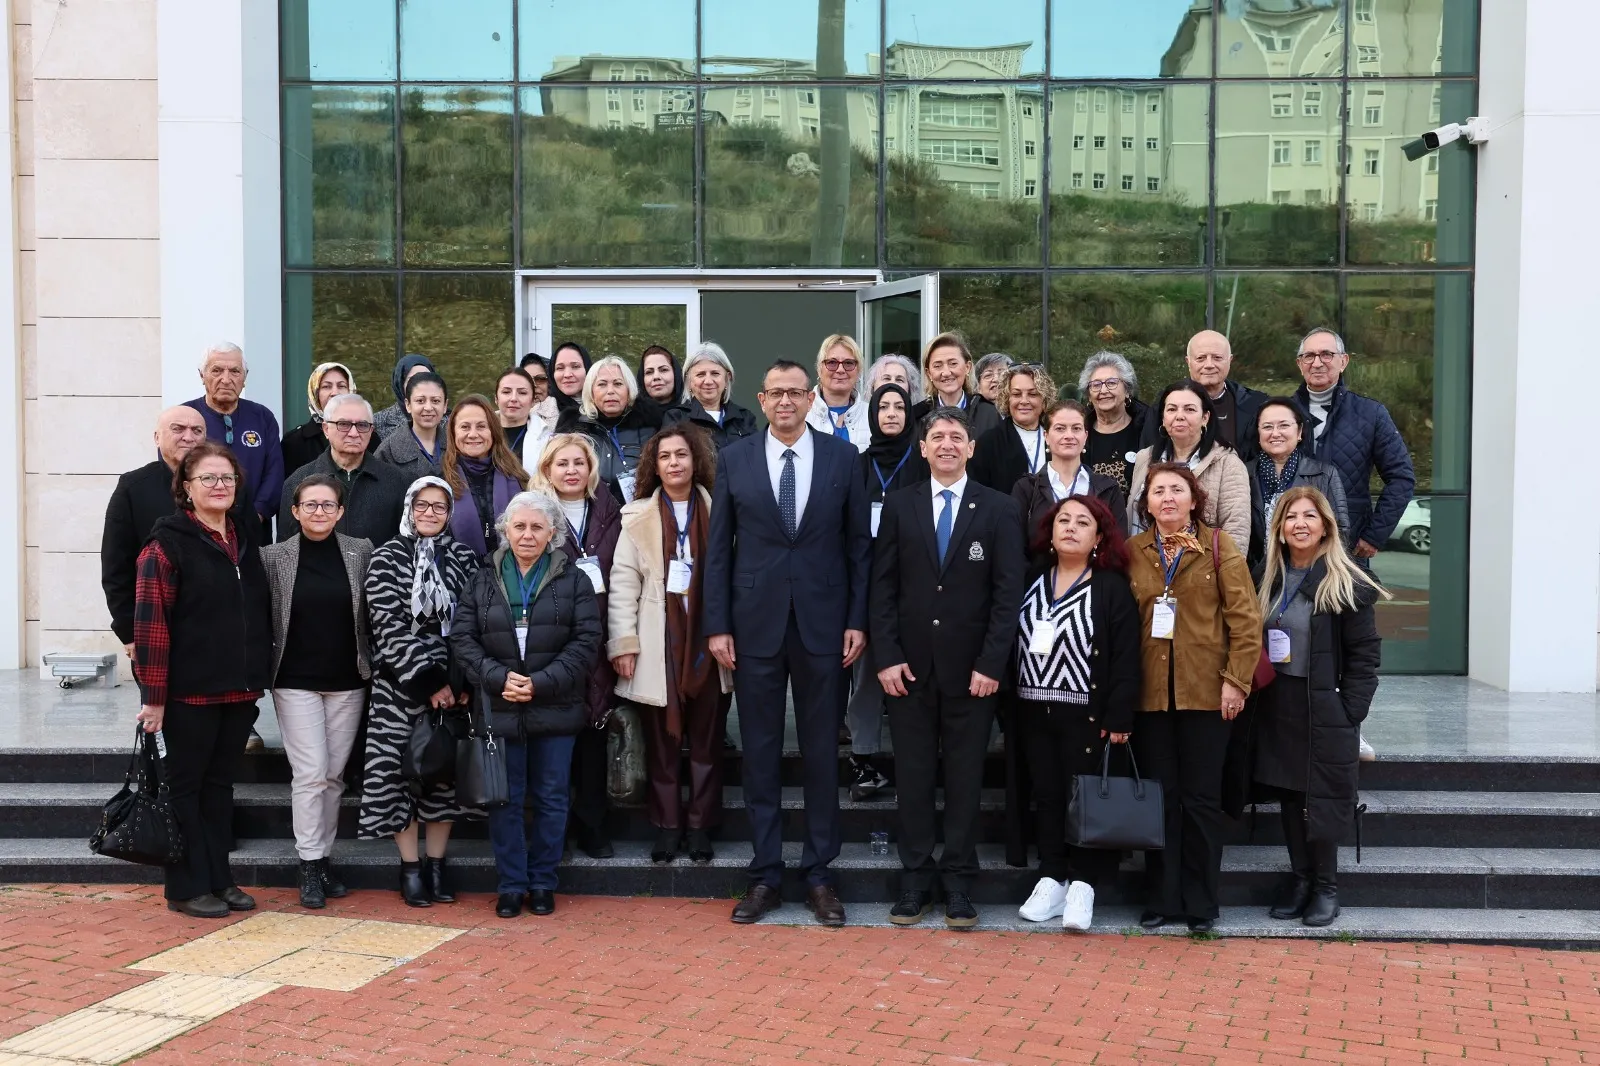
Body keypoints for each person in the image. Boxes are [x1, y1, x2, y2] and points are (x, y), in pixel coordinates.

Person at [704, 359, 872, 926]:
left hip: (825, 624)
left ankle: (820, 874)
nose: (784, 402)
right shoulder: (735, 458)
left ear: (811, 398)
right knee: (760, 751)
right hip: (753, 625)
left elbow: (858, 549)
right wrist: (718, 624)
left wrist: (857, 619)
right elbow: (720, 549)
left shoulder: (843, 459)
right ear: (760, 396)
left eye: (795, 393)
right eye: (774, 393)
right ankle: (765, 873)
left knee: (823, 751)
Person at [871, 407, 1025, 929]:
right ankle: (914, 880)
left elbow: (1008, 596)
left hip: (972, 674)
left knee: (964, 778)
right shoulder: (899, 505)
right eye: (936, 437)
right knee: (913, 777)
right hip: (908, 670)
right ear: (922, 447)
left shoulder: (1000, 510)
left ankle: (959, 882)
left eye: (956, 437)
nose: (946, 445)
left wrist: (991, 664)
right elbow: (883, 588)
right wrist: (887, 655)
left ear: (972, 447)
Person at [133, 441, 272, 918]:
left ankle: (219, 878)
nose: (219, 486)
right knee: (185, 789)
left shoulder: (244, 537)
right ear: (185, 489)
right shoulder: (165, 545)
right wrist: (154, 698)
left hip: (237, 689)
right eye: (208, 479)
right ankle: (186, 887)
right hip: (187, 693)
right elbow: (151, 626)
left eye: (227, 478)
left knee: (220, 788)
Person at [453, 491, 602, 919]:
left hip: (555, 705)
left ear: (553, 533)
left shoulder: (574, 579)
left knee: (553, 798)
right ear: (505, 531)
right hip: (499, 707)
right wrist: (499, 679)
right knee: (505, 799)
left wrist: (539, 684)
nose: (527, 535)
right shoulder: (483, 577)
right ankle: (511, 884)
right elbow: (463, 639)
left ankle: (542, 882)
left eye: (537, 527)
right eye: (519, 526)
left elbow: (586, 641)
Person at [1127, 462, 1263, 932]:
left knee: (1202, 800)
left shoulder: (1219, 547)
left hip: (1207, 693)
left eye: (1176, 490)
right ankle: (1163, 899)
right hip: (1150, 698)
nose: (1167, 498)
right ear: (1146, 502)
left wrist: (1236, 680)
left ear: (1193, 499)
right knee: (1159, 799)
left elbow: (1245, 621)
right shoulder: (1133, 552)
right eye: (1158, 490)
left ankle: (1202, 903)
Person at [1242, 487, 1385, 927]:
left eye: (1309, 516)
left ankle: (1326, 887)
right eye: (1290, 517)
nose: (1299, 524)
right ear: (1279, 529)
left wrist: (1350, 712)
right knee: (1288, 796)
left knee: (1319, 798)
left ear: (1325, 525)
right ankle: (1300, 880)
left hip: (1324, 705)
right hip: (1277, 703)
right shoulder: (1266, 577)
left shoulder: (1347, 581)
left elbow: (1365, 655)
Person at [1014, 495, 1141, 932]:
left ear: (1099, 537)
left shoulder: (1110, 586)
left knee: (1086, 800)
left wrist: (1119, 714)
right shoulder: (1031, 579)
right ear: (1049, 532)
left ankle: (1084, 884)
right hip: (1033, 711)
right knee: (1047, 797)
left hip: (1089, 716)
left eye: (1082, 522)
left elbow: (1126, 657)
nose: (1070, 527)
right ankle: (1052, 877)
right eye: (1062, 520)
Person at [609, 425, 733, 865]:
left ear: (695, 459)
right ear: (654, 465)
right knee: (661, 746)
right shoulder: (637, 515)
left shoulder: (722, 509)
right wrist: (623, 643)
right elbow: (622, 582)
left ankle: (699, 827)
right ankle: (665, 827)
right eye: (665, 457)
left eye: (682, 454)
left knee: (706, 743)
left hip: (710, 638)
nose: (675, 463)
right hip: (655, 639)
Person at [359, 476, 481, 907]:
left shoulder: (465, 558)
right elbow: (387, 625)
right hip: (399, 685)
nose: (430, 513)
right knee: (399, 776)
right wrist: (429, 682)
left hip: (454, 683)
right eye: (422, 506)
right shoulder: (385, 557)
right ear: (409, 508)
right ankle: (410, 869)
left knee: (443, 776)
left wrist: (460, 682)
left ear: (450, 515)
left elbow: (473, 621)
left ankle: (436, 865)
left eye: (439, 507)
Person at [1292, 327, 1412, 763]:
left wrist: (1373, 534)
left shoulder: (1369, 414)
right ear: (1299, 364)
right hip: (1290, 552)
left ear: (1344, 361)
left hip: (1345, 553)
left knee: (1349, 647)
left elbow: (1401, 477)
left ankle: (1351, 728)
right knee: (1294, 642)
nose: (1318, 362)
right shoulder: (1282, 412)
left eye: (1327, 354)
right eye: (1309, 356)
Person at [260, 475, 373, 910]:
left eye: (328, 505)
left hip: (348, 680)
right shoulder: (274, 558)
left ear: (341, 511)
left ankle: (323, 858)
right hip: (295, 680)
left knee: (333, 777)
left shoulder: (360, 551)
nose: (319, 512)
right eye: (310, 505)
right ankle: (308, 863)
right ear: (295, 511)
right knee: (309, 773)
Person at [530, 432, 623, 860]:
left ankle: (593, 825)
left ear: (590, 470)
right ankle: (557, 830)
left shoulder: (611, 513)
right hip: (553, 639)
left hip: (602, 634)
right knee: (557, 734)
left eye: (578, 463)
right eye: (562, 463)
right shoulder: (533, 514)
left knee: (595, 730)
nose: (571, 471)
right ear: (547, 470)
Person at [846, 382, 929, 800]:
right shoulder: (857, 464)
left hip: (914, 581)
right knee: (866, 676)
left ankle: (912, 762)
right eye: (884, 407)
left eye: (900, 407)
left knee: (911, 674)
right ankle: (865, 761)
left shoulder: (924, 462)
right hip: (864, 579)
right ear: (873, 414)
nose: (892, 413)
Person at [102, 405, 209, 660]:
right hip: (155, 624)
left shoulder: (227, 484)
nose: (188, 436)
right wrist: (128, 631)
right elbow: (116, 563)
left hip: (215, 626)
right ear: (157, 437)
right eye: (178, 429)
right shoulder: (133, 487)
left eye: (197, 430)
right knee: (159, 701)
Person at [1126, 381, 1251, 552]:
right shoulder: (1144, 458)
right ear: (1163, 417)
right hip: (1144, 567)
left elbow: (1236, 531)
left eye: (1189, 409)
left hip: (1201, 572)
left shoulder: (1227, 463)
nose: (1179, 416)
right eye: (1171, 409)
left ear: (1205, 417)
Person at [280, 394, 408, 546]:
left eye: (362, 425)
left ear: (371, 430)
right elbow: (285, 550)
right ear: (326, 429)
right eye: (344, 424)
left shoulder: (397, 482)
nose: (354, 433)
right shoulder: (298, 482)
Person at [184, 342, 283, 534]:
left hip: (253, 527)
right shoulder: (186, 416)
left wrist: (257, 515)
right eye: (217, 370)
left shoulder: (262, 417)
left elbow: (274, 473)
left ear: (245, 378)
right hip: (197, 529)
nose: (226, 379)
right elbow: (172, 470)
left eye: (235, 371)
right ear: (202, 375)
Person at [1247, 398, 1350, 568]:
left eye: (1283, 425)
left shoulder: (1324, 474)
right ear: (1258, 434)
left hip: (1310, 573)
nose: (1275, 433)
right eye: (1267, 427)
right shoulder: (1243, 474)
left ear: (1300, 431)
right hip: (1255, 575)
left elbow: (1340, 531)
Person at [1140, 330, 1268, 456]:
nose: (1209, 365)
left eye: (1217, 358)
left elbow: (1261, 457)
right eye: (1200, 358)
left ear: (1230, 360)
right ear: (1188, 362)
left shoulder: (1254, 404)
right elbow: (1151, 455)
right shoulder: (1166, 402)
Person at [1011, 401, 1128, 536]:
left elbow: (1118, 544)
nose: (1069, 436)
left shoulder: (1108, 489)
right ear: (1046, 436)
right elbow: (1015, 544)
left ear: (1085, 436)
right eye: (1060, 428)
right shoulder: (1027, 489)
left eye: (1076, 428)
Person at [559, 356, 663, 504]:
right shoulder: (573, 427)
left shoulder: (650, 426)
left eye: (618, 384)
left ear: (629, 391)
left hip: (638, 515)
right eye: (602, 384)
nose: (610, 391)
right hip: (589, 515)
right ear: (591, 392)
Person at [441, 395, 530, 564]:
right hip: (461, 578)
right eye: (465, 427)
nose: (473, 434)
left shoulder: (519, 478)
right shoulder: (439, 483)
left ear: (493, 431)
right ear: (453, 433)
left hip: (515, 574)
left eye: (481, 426)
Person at [970, 364, 1056, 492]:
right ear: (1007, 399)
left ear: (1044, 400)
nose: (1024, 401)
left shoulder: (1057, 437)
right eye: (1016, 394)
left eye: (1032, 394)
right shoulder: (989, 442)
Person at [662, 341, 759, 450]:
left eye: (715, 373)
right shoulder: (676, 418)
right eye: (700, 374)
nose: (708, 381)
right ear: (688, 381)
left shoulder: (744, 418)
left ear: (727, 378)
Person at [1079, 352, 1150, 496]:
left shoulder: (1146, 430)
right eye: (1096, 385)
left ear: (1127, 390)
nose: (1103, 390)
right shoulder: (1078, 432)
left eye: (1111, 383)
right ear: (1089, 395)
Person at [283, 362, 370, 476]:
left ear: (351, 391)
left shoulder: (367, 436)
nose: (335, 393)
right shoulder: (294, 442)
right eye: (326, 386)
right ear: (315, 393)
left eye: (341, 386)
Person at [913, 332, 1002, 438]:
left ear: (967, 367)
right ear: (929, 373)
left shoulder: (988, 414)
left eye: (953, 364)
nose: (946, 373)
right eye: (938, 366)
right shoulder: (918, 416)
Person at [374, 371, 448, 484]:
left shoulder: (455, 445)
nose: (428, 407)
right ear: (408, 405)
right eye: (420, 401)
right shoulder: (388, 450)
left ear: (445, 406)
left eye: (435, 401)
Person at [805, 334, 870, 449]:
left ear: (859, 371)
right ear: (819, 369)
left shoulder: (873, 415)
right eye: (832, 363)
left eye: (848, 363)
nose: (840, 370)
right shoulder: (801, 413)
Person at [498, 366, 561, 473]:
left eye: (522, 393)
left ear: (532, 400)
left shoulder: (549, 442)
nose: (513, 398)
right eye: (506, 392)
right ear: (496, 398)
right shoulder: (481, 434)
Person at [373, 353, 439, 442]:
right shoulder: (377, 422)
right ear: (400, 383)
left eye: (426, 378)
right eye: (412, 379)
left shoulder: (449, 421)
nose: (420, 384)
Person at [550, 341, 591, 415]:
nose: (567, 374)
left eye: (575, 366)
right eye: (560, 368)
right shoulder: (539, 415)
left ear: (587, 369)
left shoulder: (605, 408)